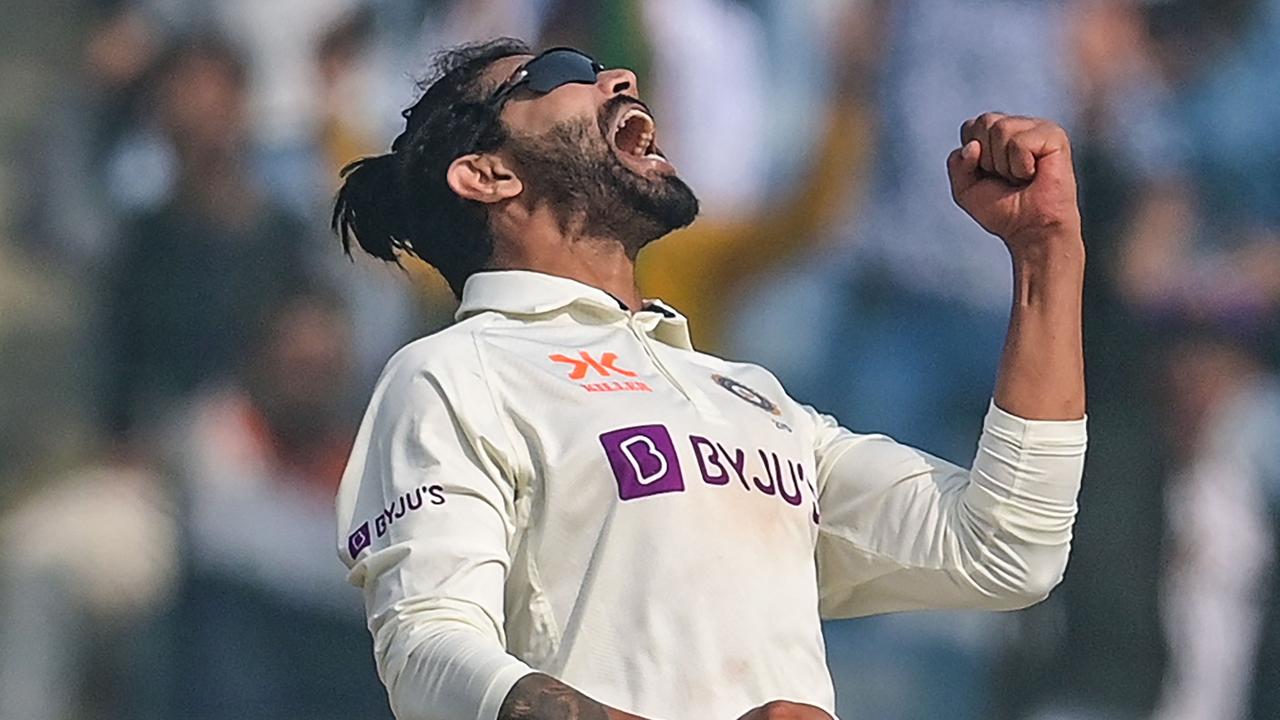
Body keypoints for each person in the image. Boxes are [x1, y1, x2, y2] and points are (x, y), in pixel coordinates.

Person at [330, 38, 1088, 720]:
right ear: (487, 173)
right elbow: (427, 651)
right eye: (560, 71)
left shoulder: (755, 398)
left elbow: (1006, 548)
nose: (621, 76)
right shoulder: (454, 370)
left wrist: (1047, 250)